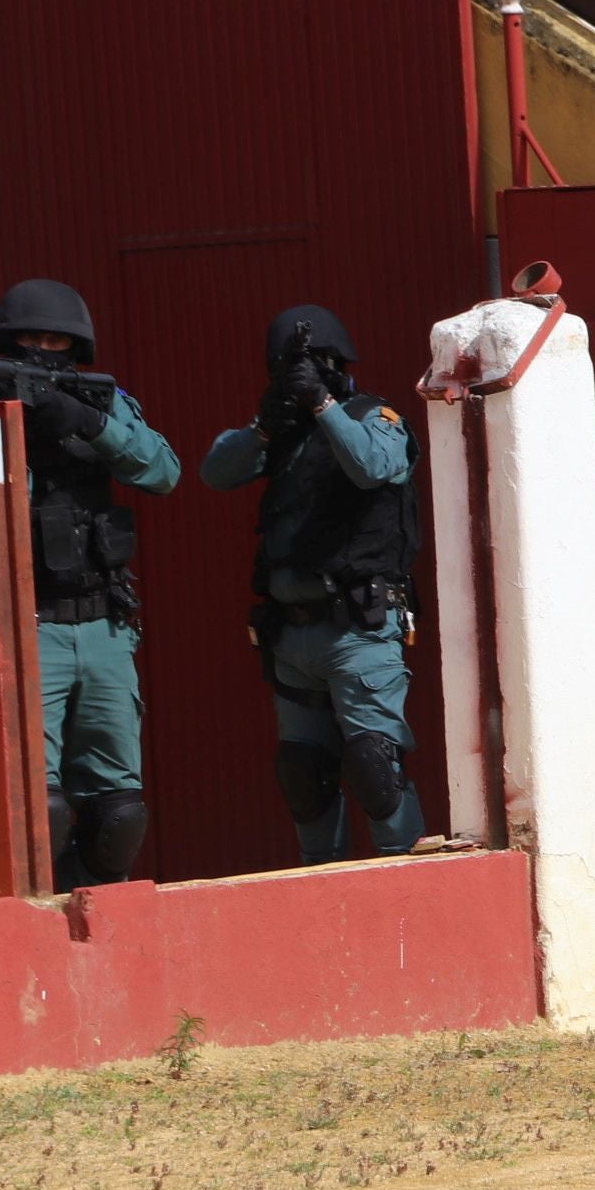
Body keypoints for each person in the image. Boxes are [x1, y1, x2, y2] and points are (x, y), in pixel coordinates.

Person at [0, 279, 179, 889]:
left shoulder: (97, 402)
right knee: (38, 810)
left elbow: (162, 470)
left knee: (120, 814)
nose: (42, 350)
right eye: (29, 340)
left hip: (103, 622)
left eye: (54, 341)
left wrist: (84, 420)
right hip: (31, 626)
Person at [201, 305, 431, 866]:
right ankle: (322, 886)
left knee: (375, 766)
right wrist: (263, 424)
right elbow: (215, 472)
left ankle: (405, 884)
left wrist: (324, 406)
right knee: (303, 774)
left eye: (314, 367)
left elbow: (373, 466)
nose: (305, 379)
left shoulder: (375, 415)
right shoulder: (281, 436)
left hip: (359, 629)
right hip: (291, 636)